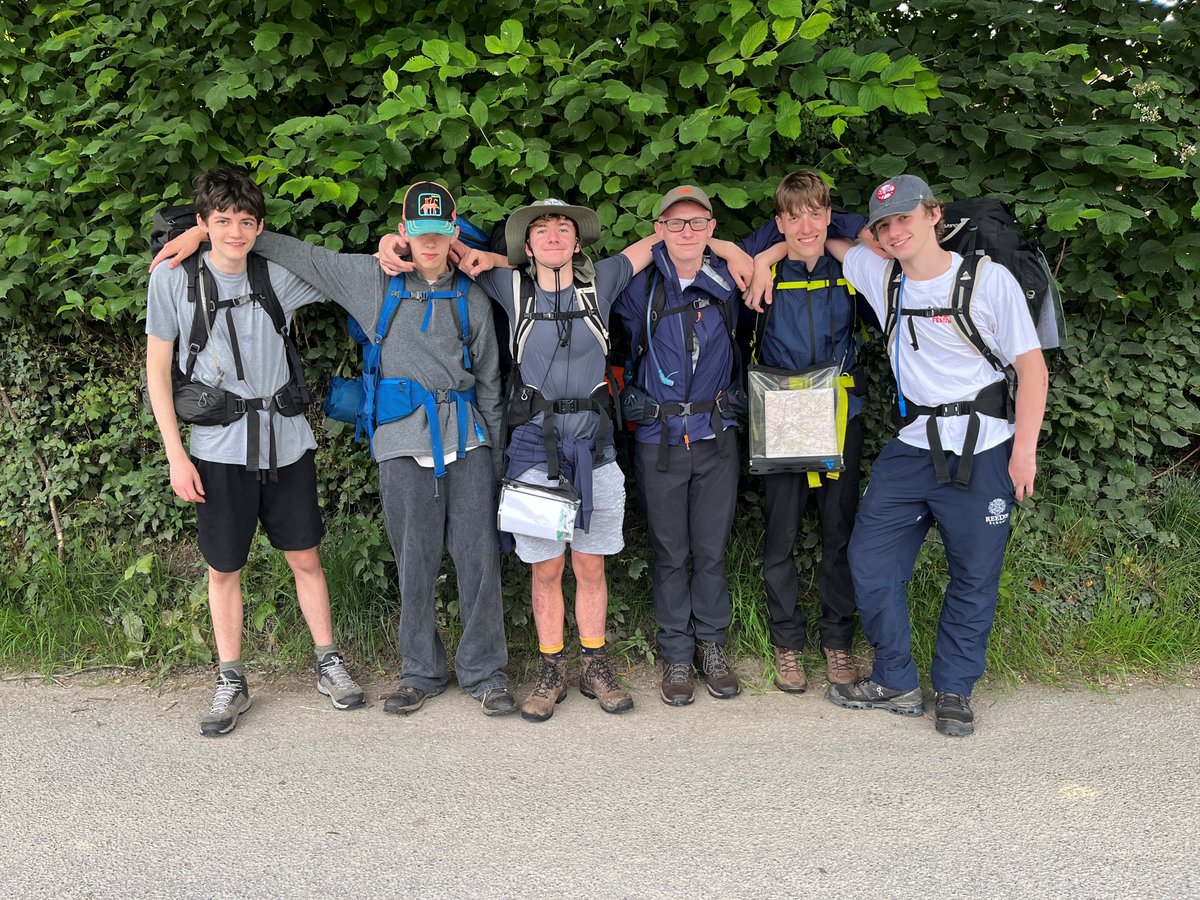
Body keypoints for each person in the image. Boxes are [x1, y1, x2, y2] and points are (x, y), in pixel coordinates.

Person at [151, 180, 516, 718]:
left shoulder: (476, 294)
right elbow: (303, 254)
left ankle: (486, 674)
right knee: (412, 562)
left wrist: (497, 456)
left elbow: (490, 379)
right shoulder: (375, 280)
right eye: (420, 232)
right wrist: (199, 233)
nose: (430, 243)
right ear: (403, 232)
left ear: (454, 231)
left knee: (478, 560)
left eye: (441, 233)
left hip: (468, 440)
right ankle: (419, 672)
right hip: (398, 442)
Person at [381, 199, 752, 721]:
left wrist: (728, 246)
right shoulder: (510, 286)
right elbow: (442, 250)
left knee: (590, 565)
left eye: (563, 229)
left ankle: (596, 666)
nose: (554, 236)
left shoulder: (601, 281)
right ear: (526, 246)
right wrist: (390, 245)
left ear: (577, 243)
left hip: (595, 449)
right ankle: (552, 668)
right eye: (541, 230)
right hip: (535, 451)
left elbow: (662, 240)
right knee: (547, 569)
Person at [822, 174, 1048, 737]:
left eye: (905, 218)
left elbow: (1032, 369)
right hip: (912, 447)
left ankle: (954, 689)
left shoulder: (987, 280)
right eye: (884, 224)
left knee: (973, 574)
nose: (895, 231)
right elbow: (827, 239)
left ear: (933, 215)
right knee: (870, 562)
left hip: (986, 446)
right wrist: (764, 254)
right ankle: (896, 678)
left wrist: (1025, 452)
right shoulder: (883, 277)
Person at [145, 165, 363, 736]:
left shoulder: (275, 276)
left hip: (288, 444)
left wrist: (217, 234)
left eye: (246, 222)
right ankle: (231, 678)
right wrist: (175, 454)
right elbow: (157, 371)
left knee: (306, 557)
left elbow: (336, 272)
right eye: (221, 222)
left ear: (260, 226)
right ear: (201, 223)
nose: (235, 233)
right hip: (216, 448)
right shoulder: (172, 279)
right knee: (224, 568)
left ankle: (327, 661)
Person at [610, 186, 743, 707]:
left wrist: (731, 252)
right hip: (658, 440)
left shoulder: (732, 282)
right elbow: (588, 279)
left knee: (710, 551)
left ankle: (712, 646)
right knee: (670, 553)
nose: (687, 232)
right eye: (675, 223)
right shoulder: (639, 290)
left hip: (716, 437)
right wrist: (660, 241)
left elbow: (795, 238)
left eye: (697, 223)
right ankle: (676, 655)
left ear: (713, 227)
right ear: (658, 228)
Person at [739, 171, 869, 693]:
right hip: (784, 413)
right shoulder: (761, 275)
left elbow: (871, 232)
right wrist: (766, 259)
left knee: (840, 532)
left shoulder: (852, 269)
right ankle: (787, 644)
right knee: (782, 534)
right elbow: (737, 253)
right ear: (779, 223)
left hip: (839, 411)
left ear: (829, 214)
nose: (806, 225)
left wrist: (832, 236)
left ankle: (838, 642)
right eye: (794, 216)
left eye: (816, 212)